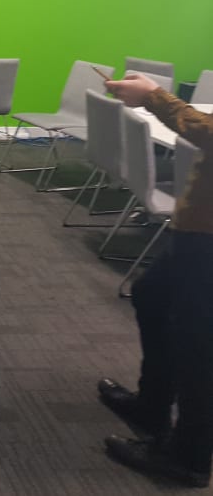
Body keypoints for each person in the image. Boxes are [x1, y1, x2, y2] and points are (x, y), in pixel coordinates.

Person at [99, 72, 213, 488]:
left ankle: (190, 457)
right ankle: (153, 405)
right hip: (198, 227)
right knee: (151, 296)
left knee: (198, 342)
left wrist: (153, 97)